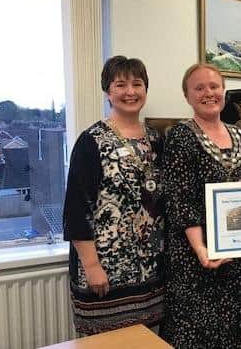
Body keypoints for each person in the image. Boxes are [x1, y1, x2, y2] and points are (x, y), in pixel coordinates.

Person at [63, 55, 165, 334]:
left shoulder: (156, 139)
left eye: (137, 83)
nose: (130, 92)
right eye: (121, 85)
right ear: (108, 91)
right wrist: (92, 266)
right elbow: (75, 209)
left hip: (150, 272)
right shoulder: (91, 141)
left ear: (146, 89)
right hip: (105, 271)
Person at [159, 63, 241, 347]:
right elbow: (181, 199)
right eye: (199, 88)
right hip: (196, 261)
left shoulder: (240, 136)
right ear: (187, 96)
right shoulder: (180, 137)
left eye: (214, 86)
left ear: (224, 91)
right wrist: (201, 249)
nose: (208, 93)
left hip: (237, 260)